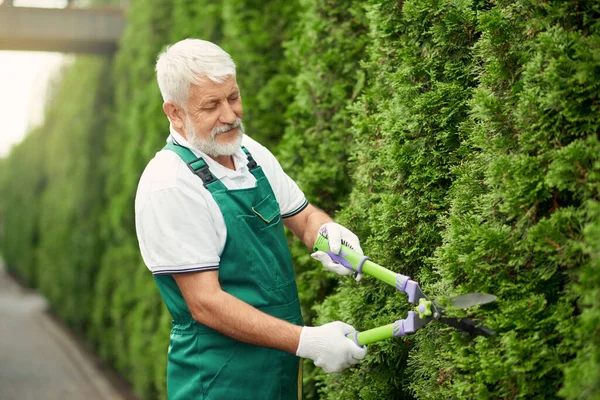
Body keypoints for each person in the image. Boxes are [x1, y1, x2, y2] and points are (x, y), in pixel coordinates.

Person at [134, 38, 367, 400]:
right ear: (175, 113)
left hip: (280, 367)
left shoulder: (249, 153)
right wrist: (308, 340)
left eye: (233, 97)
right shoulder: (169, 184)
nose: (229, 115)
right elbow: (206, 303)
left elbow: (303, 217)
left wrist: (327, 232)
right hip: (218, 380)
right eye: (211, 106)